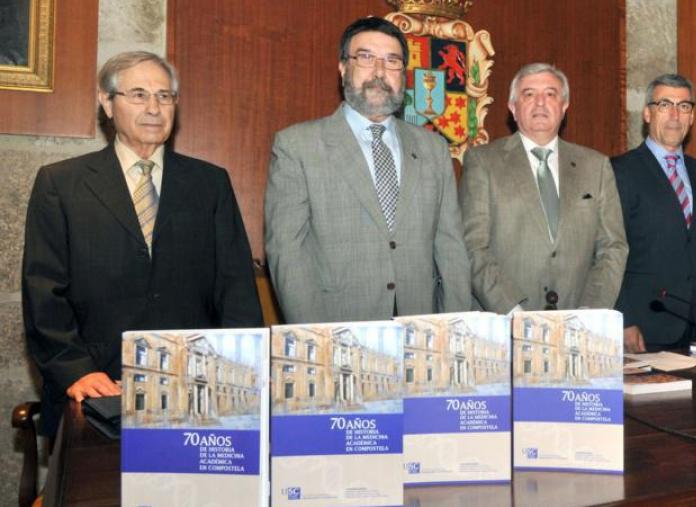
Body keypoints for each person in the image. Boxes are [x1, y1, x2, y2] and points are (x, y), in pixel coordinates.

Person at [22, 51, 262, 435]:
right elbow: (43, 292)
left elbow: (236, 290)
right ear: (106, 102)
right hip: (98, 392)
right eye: (138, 95)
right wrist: (77, 372)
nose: (154, 107)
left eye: (165, 96)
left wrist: (234, 372)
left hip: (196, 393)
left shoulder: (210, 184)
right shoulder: (61, 184)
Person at [265, 17, 470, 323]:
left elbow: (451, 248)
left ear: (404, 74)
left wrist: (452, 331)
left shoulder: (433, 149)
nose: (379, 72)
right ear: (343, 68)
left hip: (421, 336)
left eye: (392, 61)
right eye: (365, 58)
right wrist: (316, 340)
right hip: (338, 332)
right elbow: (288, 253)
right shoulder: (298, 146)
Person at [459, 63, 628, 319]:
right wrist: (514, 313)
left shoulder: (596, 166)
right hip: (504, 323)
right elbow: (472, 247)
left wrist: (590, 312)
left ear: (564, 107)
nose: (540, 103)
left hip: (578, 325)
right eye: (529, 94)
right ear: (513, 108)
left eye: (551, 94)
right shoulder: (483, 162)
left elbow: (613, 247)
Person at [612, 74, 696, 352]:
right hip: (644, 328)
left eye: (684, 106)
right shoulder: (618, 171)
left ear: (693, 117)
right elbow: (607, 253)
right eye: (665, 104)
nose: (675, 114)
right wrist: (623, 318)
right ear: (648, 114)